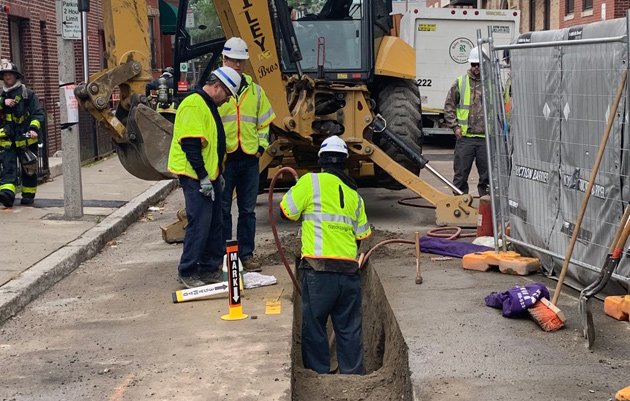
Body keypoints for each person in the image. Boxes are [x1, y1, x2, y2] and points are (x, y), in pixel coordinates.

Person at [280, 135, 372, 375]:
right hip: (349, 273)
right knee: (349, 328)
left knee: (314, 326)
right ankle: (352, 374)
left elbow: (286, 211)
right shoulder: (355, 195)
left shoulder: (310, 182)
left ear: (321, 160)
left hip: (318, 272)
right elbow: (362, 235)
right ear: (345, 162)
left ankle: (318, 375)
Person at [167, 66, 242, 289]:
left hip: (210, 174)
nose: (227, 100)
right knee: (199, 224)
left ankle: (210, 268)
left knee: (214, 224)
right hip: (195, 176)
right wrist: (203, 177)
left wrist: (216, 172)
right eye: (227, 95)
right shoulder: (193, 104)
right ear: (217, 87)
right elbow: (191, 144)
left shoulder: (207, 105)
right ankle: (188, 270)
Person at [219, 37, 275, 273]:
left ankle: (246, 255)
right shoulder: (218, 90)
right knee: (222, 209)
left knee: (247, 210)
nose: (238, 65)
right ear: (224, 59)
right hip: (225, 159)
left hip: (249, 158)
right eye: (233, 60)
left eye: (241, 61)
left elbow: (264, 124)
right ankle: (224, 255)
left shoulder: (256, 92)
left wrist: (261, 148)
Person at [444, 46, 489, 197]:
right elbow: (449, 106)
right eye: (473, 64)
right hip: (465, 138)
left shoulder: (492, 84)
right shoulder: (460, 82)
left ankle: (486, 207)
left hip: (486, 139)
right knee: (460, 176)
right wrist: (455, 127)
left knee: (487, 178)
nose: (476, 68)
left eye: (479, 64)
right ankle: (459, 206)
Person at [0, 59, 44, 207]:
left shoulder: (27, 94)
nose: (7, 78)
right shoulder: (1, 96)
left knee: (29, 169)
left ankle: (28, 195)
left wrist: (33, 129)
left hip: (26, 138)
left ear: (16, 76)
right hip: (7, 139)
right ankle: (7, 195)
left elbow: (38, 114)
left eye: (10, 75)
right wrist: (2, 103)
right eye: (5, 75)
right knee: (8, 167)